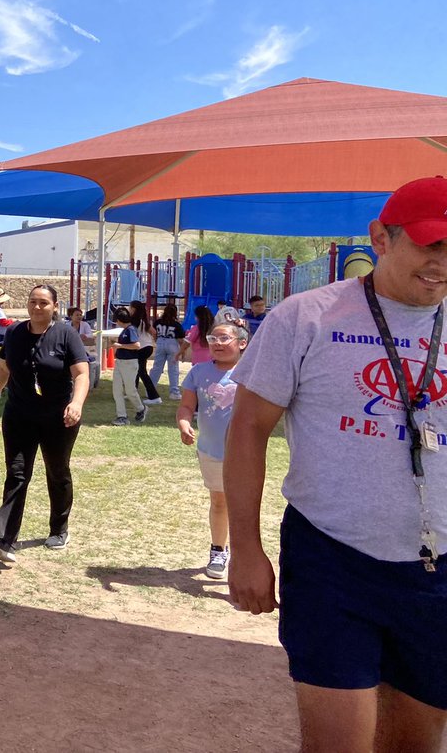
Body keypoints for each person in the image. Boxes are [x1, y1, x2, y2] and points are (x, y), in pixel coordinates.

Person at [226, 176, 447, 753]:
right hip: (333, 558)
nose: (442, 264)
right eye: (431, 244)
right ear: (381, 237)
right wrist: (245, 549)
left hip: (439, 569)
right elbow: (249, 429)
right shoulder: (306, 318)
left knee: (418, 744)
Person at [0, 285, 89, 564]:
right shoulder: (15, 332)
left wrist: (76, 404)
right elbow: (4, 368)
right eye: (32, 302)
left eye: (43, 303)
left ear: (54, 306)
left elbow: (81, 374)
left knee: (57, 471)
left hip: (58, 417)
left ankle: (59, 528)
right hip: (20, 415)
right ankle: (4, 539)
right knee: (17, 474)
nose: (37, 307)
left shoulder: (66, 334)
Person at [176, 320, 249, 579]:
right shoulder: (198, 372)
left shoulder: (252, 372)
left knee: (243, 505)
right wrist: (184, 423)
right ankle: (219, 549)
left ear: (242, 343)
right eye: (213, 339)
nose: (217, 344)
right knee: (219, 501)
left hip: (245, 454)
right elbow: (186, 406)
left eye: (224, 338)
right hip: (211, 450)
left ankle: (244, 557)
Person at [110, 306, 148, 426]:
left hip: (129, 363)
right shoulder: (124, 330)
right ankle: (122, 416)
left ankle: (141, 408)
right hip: (120, 362)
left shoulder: (131, 329)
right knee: (117, 390)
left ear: (119, 320)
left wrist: (120, 345)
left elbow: (137, 345)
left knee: (130, 390)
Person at [127, 300, 162, 405]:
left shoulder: (134, 320)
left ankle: (154, 396)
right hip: (148, 346)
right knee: (137, 370)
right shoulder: (143, 320)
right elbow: (154, 332)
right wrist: (154, 340)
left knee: (141, 372)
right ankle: (133, 392)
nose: (129, 309)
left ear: (134, 309)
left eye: (130, 307)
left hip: (141, 347)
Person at [150, 303, 186, 400]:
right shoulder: (176, 324)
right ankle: (174, 392)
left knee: (156, 368)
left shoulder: (158, 322)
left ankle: (150, 389)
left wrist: (156, 340)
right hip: (172, 343)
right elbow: (180, 339)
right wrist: (182, 352)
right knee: (173, 369)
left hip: (160, 342)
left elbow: (154, 332)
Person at [66, 305, 100, 390]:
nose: (79, 317)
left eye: (80, 315)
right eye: (77, 315)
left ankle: (89, 385)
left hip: (85, 349)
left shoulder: (85, 325)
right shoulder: (67, 325)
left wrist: (85, 336)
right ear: (71, 316)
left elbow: (91, 335)